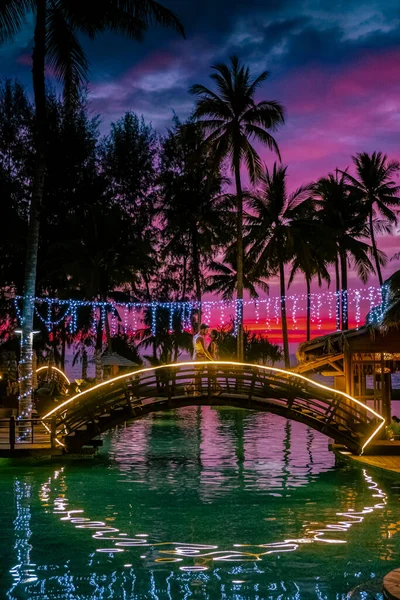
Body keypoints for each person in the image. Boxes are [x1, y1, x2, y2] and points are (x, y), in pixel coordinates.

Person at [192, 324, 213, 395]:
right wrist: (211, 359)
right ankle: (195, 391)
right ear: (202, 329)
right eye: (206, 330)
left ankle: (193, 389)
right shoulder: (201, 337)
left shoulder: (195, 336)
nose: (207, 332)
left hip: (196, 357)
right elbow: (205, 350)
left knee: (197, 374)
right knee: (197, 375)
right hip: (199, 358)